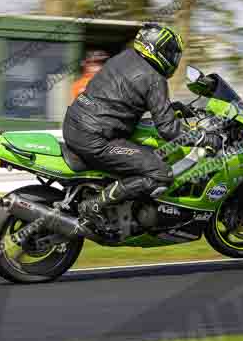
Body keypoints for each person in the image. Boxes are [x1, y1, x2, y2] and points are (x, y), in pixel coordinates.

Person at [62, 23, 222, 227]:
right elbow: (168, 129)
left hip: (76, 124)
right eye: (171, 52)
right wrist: (203, 138)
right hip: (97, 139)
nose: (174, 58)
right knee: (160, 174)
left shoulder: (125, 58)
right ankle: (94, 204)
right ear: (158, 49)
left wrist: (175, 109)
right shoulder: (154, 78)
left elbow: (124, 97)